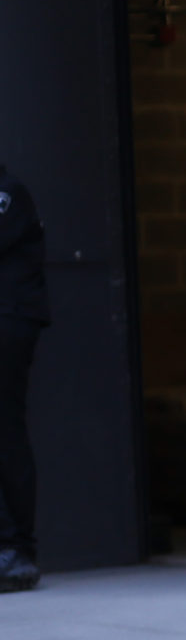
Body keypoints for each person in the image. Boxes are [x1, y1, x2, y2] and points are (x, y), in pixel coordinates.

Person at [0, 160, 43, 592]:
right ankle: (13, 548)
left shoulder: (8, 193)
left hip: (8, 321)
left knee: (6, 432)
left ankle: (14, 550)